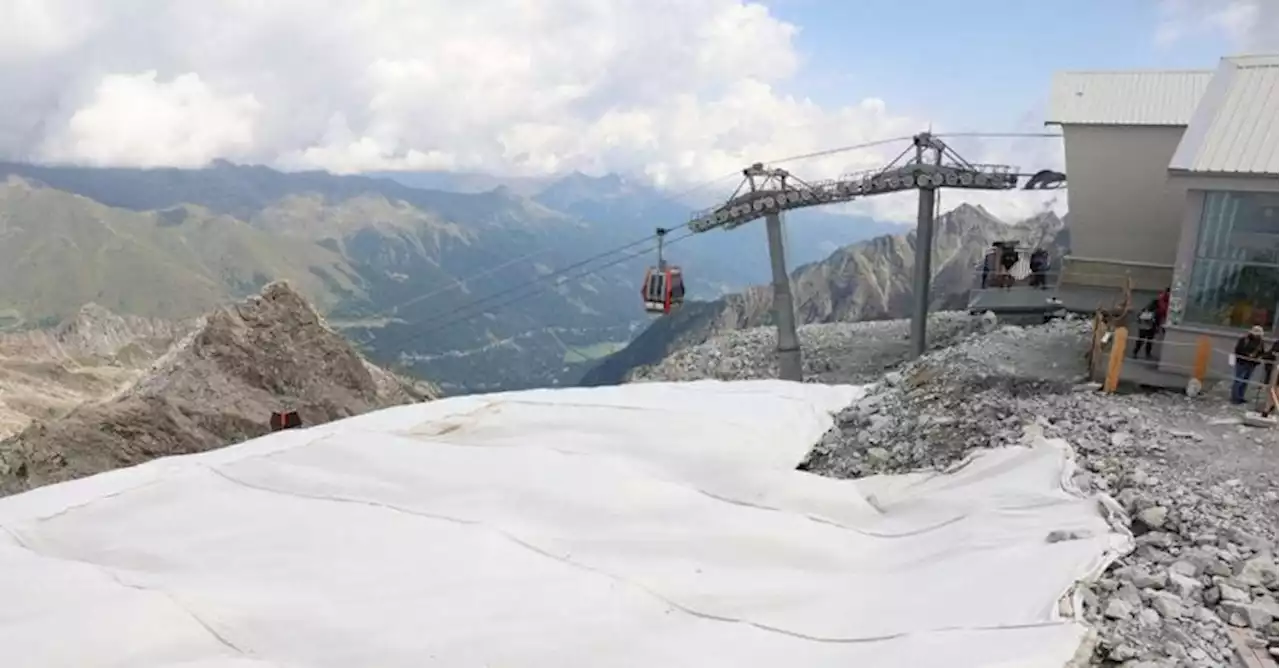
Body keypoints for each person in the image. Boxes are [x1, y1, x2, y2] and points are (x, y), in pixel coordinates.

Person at [1231, 325, 1266, 405]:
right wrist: (1248, 355)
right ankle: (1235, 397)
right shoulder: (1244, 339)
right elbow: (1238, 350)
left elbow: (1262, 352)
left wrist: (1258, 357)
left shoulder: (1261, 342)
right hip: (1242, 362)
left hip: (1251, 364)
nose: (1257, 336)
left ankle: (1241, 396)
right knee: (1238, 380)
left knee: (1245, 381)